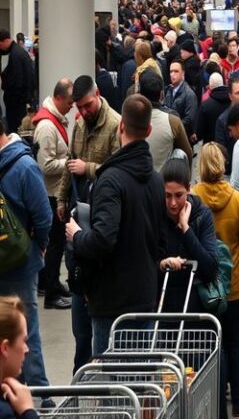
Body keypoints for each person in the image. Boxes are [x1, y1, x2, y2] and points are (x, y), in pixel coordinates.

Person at [65, 94, 166, 356]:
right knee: (138, 384)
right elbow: (160, 240)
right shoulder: (156, 181)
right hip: (145, 296)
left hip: (112, 302)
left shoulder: (110, 180)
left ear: (121, 126)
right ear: (149, 130)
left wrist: (76, 235)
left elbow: (103, 239)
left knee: (112, 387)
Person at [55, 75, 121, 370]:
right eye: (79, 108)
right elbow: (70, 164)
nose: (83, 112)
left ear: (98, 95)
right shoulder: (79, 125)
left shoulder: (115, 125)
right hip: (78, 217)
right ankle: (80, 375)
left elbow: (119, 170)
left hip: (102, 221)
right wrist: (60, 199)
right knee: (79, 313)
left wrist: (89, 168)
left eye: (87, 105)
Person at [192, 143, 239, 419]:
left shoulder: (193, 197)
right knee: (234, 342)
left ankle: (213, 399)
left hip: (204, 287)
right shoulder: (236, 198)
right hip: (234, 284)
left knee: (208, 344)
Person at [0, 120, 53, 401]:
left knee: (20, 331)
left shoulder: (22, 165)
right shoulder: (25, 166)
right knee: (25, 330)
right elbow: (43, 217)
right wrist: (39, 247)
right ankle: (37, 395)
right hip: (22, 261)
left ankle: (32, 394)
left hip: (16, 266)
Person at [32, 79, 73, 310]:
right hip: (51, 193)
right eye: (69, 102)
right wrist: (69, 163)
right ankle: (51, 291)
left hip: (55, 190)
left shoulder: (54, 119)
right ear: (58, 98)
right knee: (55, 244)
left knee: (56, 243)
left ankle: (53, 283)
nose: (72, 106)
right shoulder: (47, 127)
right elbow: (45, 165)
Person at [158, 157, 217, 314]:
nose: (173, 203)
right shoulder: (155, 215)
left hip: (195, 308)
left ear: (189, 189)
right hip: (161, 306)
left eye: (178, 195)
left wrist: (185, 229)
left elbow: (210, 268)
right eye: (167, 196)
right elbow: (144, 262)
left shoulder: (202, 215)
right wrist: (162, 264)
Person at [138, 70, 193, 171]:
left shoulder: (130, 118)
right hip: (164, 182)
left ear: (140, 93)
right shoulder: (172, 121)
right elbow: (187, 154)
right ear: (161, 94)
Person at [0, 296, 40, 419]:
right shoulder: (3, 412)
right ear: (5, 348)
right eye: (23, 341)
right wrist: (28, 411)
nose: (26, 349)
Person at [0, 28, 35, 134]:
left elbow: (17, 82)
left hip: (16, 105)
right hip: (19, 103)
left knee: (16, 131)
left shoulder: (15, 55)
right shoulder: (18, 52)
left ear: (5, 41)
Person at [164, 60, 198, 139]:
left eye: (176, 71)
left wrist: (172, 127)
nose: (172, 74)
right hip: (170, 136)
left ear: (183, 73)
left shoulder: (189, 94)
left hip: (182, 137)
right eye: (171, 71)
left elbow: (189, 120)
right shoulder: (169, 90)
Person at [196, 72, 230, 144]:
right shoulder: (232, 101)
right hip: (229, 146)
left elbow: (199, 133)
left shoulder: (205, 106)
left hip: (211, 148)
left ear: (210, 87)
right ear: (223, 83)